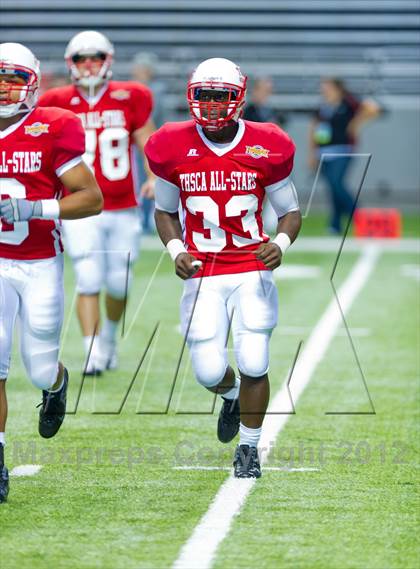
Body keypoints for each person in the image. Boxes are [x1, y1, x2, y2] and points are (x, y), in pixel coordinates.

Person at [145, 58, 301, 478]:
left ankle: (249, 448)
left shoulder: (265, 144)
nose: (213, 105)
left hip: (251, 266)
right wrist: (176, 248)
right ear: (191, 97)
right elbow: (164, 210)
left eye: (221, 96)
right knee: (208, 370)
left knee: (254, 358)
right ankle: (231, 395)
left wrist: (281, 244)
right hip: (202, 271)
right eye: (205, 96)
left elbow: (290, 212)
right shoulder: (171, 144)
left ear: (240, 99)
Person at [0, 42, 103, 503]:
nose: (5, 87)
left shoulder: (53, 125)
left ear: (33, 83)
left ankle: (56, 384)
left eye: (14, 79)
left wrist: (33, 206)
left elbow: (90, 197)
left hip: (39, 261)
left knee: (38, 365)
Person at [39, 31, 155, 375]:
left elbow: (145, 139)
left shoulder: (131, 95)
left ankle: (108, 340)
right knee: (88, 276)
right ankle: (92, 352)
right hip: (80, 207)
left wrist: (152, 176)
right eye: (80, 59)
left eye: (95, 58)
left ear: (109, 60)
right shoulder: (55, 100)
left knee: (120, 283)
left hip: (123, 206)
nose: (88, 66)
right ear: (70, 64)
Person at [308, 77, 380, 234]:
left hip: (342, 150)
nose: (324, 91)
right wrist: (312, 153)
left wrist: (356, 123)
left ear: (337, 88)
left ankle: (360, 217)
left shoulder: (349, 102)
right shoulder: (322, 107)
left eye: (327, 87)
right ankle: (335, 224)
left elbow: (373, 108)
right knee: (333, 189)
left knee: (336, 184)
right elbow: (314, 128)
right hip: (323, 154)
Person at [131, 52, 167, 234]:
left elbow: (159, 119)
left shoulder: (156, 91)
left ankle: (149, 219)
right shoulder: (130, 90)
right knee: (137, 181)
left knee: (151, 181)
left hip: (151, 143)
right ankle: (139, 217)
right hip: (134, 144)